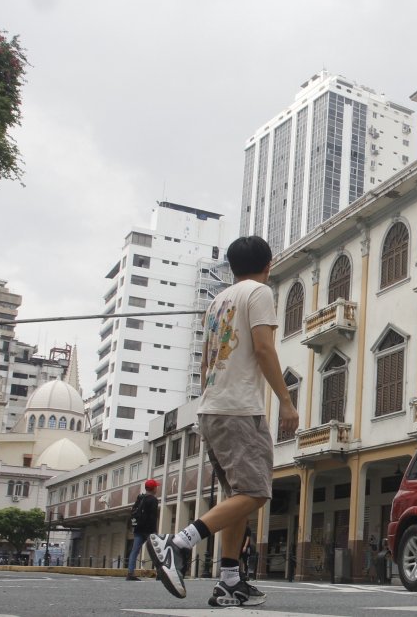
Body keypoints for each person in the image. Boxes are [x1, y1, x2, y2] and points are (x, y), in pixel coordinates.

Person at [149, 236, 299, 608]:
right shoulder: (259, 293)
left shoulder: (217, 301)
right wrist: (286, 400)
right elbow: (264, 348)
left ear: (232, 266)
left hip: (212, 408)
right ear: (269, 264)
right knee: (257, 491)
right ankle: (178, 543)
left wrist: (210, 402)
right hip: (238, 409)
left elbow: (205, 364)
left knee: (238, 497)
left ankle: (230, 580)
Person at [126, 479, 160, 580]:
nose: (157, 488)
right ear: (153, 488)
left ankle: (130, 573)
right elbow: (153, 517)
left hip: (138, 528)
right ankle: (160, 573)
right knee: (156, 551)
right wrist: (154, 531)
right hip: (149, 530)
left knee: (135, 551)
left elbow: (134, 511)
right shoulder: (153, 500)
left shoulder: (140, 498)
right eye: (156, 487)